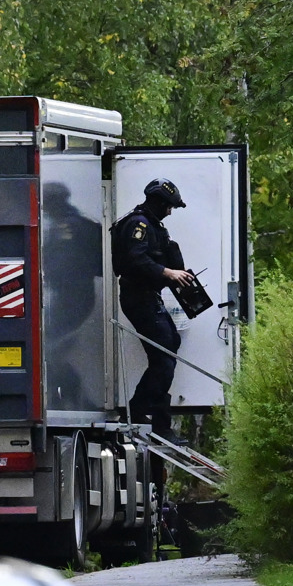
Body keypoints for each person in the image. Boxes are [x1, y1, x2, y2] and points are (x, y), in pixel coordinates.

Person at [112, 178, 194, 443]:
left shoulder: (154, 225)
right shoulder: (139, 225)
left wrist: (176, 274)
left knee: (169, 348)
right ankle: (150, 417)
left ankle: (147, 413)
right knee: (164, 356)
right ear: (157, 202)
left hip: (149, 297)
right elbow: (136, 259)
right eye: (168, 206)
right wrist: (167, 272)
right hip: (139, 298)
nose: (170, 211)